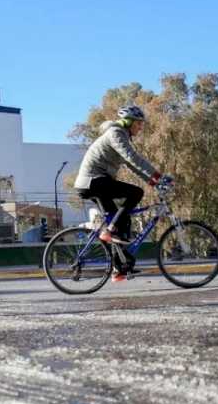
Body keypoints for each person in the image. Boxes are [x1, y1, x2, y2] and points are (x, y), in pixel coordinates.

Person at [73, 105, 170, 282]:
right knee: (136, 193)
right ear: (128, 121)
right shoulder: (115, 134)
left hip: (96, 182)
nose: (140, 127)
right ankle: (109, 230)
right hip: (92, 181)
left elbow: (131, 165)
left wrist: (153, 181)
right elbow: (133, 158)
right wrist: (158, 176)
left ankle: (120, 267)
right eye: (138, 123)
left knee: (122, 219)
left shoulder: (121, 136)